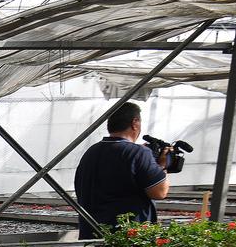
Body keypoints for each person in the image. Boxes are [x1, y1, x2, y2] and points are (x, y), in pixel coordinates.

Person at [73, 101, 171, 238]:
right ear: (135, 123)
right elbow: (160, 192)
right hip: (127, 235)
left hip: (95, 230)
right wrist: (163, 166)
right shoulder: (138, 153)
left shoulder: (92, 151)